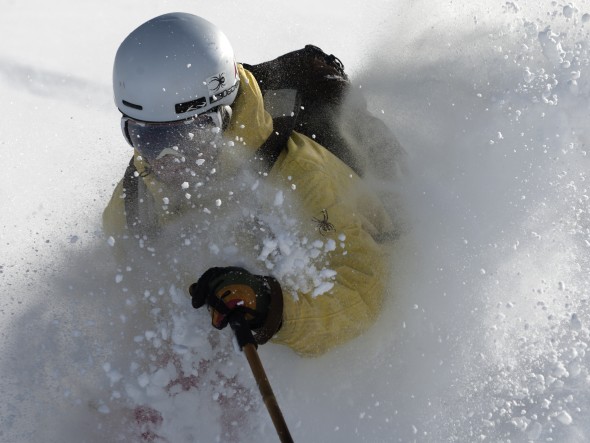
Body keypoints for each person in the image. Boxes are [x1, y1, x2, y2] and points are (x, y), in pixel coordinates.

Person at [103, 12, 406, 357]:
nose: (170, 159)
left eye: (190, 136)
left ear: (225, 118)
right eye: (147, 137)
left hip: (343, 330)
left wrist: (270, 309)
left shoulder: (301, 174)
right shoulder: (139, 194)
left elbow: (363, 293)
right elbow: (128, 289)